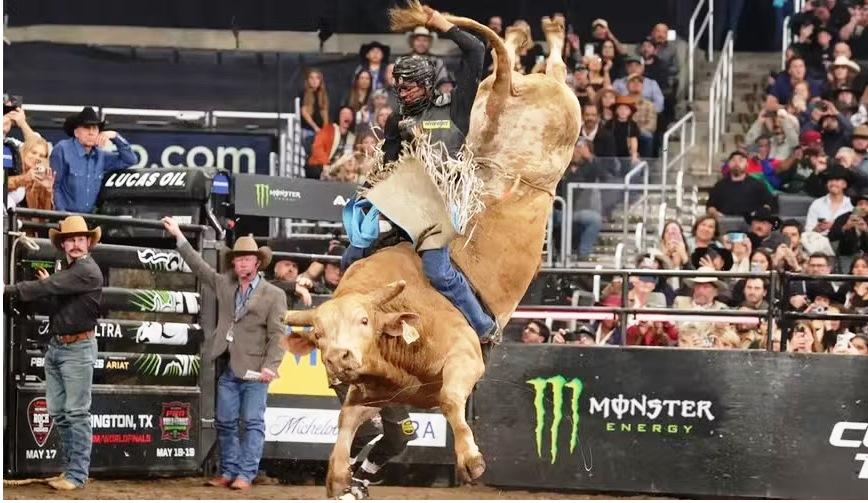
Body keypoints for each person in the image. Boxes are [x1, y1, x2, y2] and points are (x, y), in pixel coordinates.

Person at [343, 9, 494, 340]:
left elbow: (477, 50)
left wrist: (443, 26)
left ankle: (483, 326)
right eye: (400, 86)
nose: (404, 92)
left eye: (410, 87)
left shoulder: (455, 107)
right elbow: (389, 161)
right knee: (352, 253)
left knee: (438, 273)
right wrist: (369, 193)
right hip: (402, 202)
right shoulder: (395, 118)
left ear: (427, 85)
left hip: (439, 203)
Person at [161, 218, 287, 490]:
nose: (242, 263)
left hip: (256, 371)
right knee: (226, 420)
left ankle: (246, 474)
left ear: (257, 263)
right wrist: (179, 236)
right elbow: (199, 266)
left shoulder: (274, 294)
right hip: (229, 367)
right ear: (234, 263)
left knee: (252, 421)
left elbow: (279, 334)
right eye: (238, 259)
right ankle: (230, 471)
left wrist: (271, 366)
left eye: (248, 259)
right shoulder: (225, 285)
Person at [3, 216, 103, 490]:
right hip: (61, 346)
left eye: (80, 239)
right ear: (64, 244)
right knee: (61, 411)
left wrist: (8, 290)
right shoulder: (71, 273)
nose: (75, 244)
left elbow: (49, 288)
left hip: (77, 348)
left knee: (75, 411)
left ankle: (77, 474)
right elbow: (54, 293)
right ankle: (71, 469)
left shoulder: (86, 270)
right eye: (70, 240)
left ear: (88, 243)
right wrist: (50, 285)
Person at [50, 107, 137, 213]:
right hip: (67, 218)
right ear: (76, 132)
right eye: (87, 127)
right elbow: (54, 186)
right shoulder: (62, 149)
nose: (91, 132)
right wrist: (62, 215)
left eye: (95, 128)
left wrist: (114, 136)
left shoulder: (100, 156)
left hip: (91, 219)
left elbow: (130, 160)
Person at [706, 150, 777, 219]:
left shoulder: (757, 184)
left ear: (747, 164)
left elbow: (769, 203)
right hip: (724, 223)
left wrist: (759, 213)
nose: (736, 163)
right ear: (728, 164)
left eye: (740, 160)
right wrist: (715, 213)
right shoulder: (720, 185)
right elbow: (710, 206)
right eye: (733, 160)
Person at [6, 136, 54, 211]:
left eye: (41, 156)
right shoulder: (10, 164)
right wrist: (24, 179)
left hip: (22, 220)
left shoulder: (39, 178)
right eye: (34, 152)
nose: (37, 157)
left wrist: (47, 191)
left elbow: (42, 218)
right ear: (25, 150)